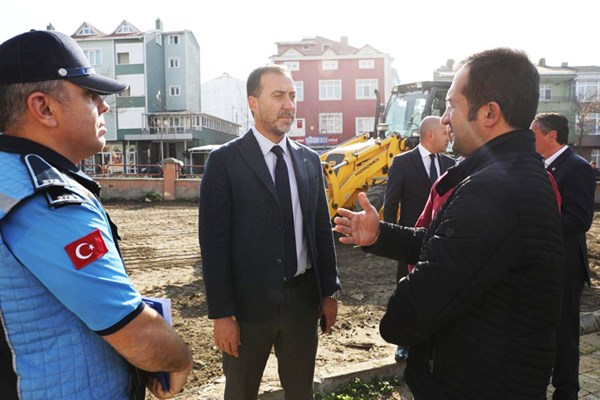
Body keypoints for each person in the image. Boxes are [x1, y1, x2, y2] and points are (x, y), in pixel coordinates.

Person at [333, 48, 565, 399]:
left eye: (452, 105)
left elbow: (407, 315)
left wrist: (398, 310)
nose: (444, 118)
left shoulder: (494, 191)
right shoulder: (511, 175)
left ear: (489, 113)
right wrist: (380, 235)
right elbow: (450, 246)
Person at [0, 30, 192, 400]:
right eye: (89, 94)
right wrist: (179, 361)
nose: (104, 107)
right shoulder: (48, 202)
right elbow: (136, 333)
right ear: (43, 108)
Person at [199, 64, 340, 400]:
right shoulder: (225, 162)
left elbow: (321, 228)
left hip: (301, 304)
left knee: (300, 392)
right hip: (247, 310)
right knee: (240, 392)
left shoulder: (309, 161)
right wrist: (222, 313)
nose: (288, 104)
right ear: (253, 102)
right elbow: (213, 243)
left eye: (292, 95)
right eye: (278, 95)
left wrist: (329, 290)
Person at [531, 112, 596, 400]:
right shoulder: (536, 166)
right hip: (538, 267)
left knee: (564, 335)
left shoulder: (577, 168)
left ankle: (567, 391)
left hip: (566, 268)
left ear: (551, 136)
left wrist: (533, 222)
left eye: (533, 134)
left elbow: (580, 219)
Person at [382, 115, 454, 361]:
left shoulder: (450, 164)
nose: (449, 137)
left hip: (443, 241)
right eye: (445, 133)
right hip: (410, 241)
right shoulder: (402, 163)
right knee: (406, 291)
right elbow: (390, 205)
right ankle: (404, 342)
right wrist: (393, 242)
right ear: (431, 134)